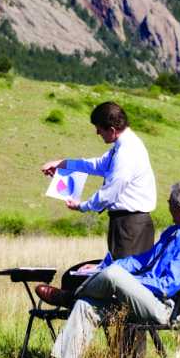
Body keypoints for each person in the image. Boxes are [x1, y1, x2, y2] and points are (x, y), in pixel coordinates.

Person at [37, 182, 180, 358]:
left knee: (114, 275)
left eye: (169, 201)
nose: (167, 203)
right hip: (144, 298)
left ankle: (69, 296)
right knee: (85, 305)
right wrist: (103, 267)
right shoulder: (175, 231)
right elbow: (142, 260)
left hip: (163, 307)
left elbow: (166, 285)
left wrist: (126, 280)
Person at [40, 101, 157, 260]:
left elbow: (110, 192)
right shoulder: (123, 146)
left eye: (99, 129)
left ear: (112, 130)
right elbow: (96, 165)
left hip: (130, 226)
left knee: (124, 279)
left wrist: (82, 206)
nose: (97, 133)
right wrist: (62, 163)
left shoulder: (127, 152)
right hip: (128, 224)